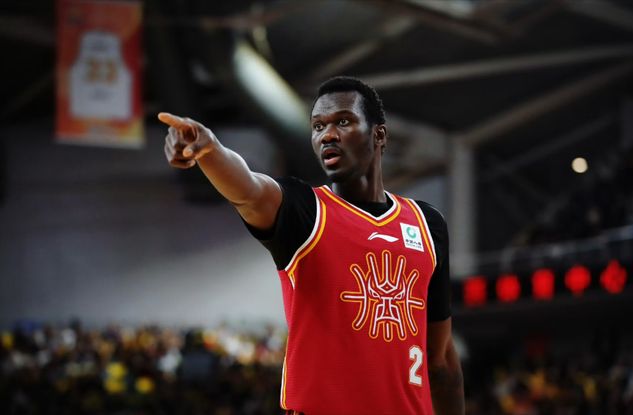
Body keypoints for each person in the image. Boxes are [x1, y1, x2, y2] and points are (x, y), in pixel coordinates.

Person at [159, 76, 464, 415]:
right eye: (318, 126)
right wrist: (211, 150)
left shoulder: (427, 224)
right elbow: (249, 190)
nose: (327, 135)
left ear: (379, 134)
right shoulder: (305, 210)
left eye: (343, 122)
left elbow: (441, 361)